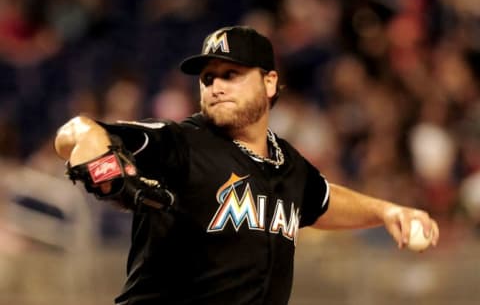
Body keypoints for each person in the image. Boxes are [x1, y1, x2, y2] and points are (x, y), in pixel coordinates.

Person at [54, 26, 439, 305]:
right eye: (208, 78)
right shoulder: (180, 143)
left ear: (270, 83)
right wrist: (106, 166)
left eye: (231, 75)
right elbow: (79, 131)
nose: (216, 86)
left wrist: (388, 210)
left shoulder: (289, 164)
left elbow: (320, 202)